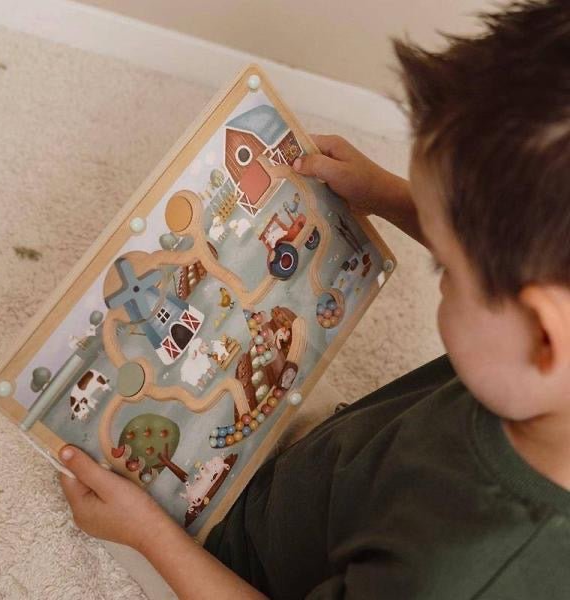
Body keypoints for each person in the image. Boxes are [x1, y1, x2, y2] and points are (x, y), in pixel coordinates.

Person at [58, 1, 570, 597]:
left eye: (446, 269)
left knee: (105, 490)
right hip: (342, 469)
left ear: (543, 336)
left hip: (244, 566)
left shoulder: (454, 574)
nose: (440, 275)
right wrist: (385, 193)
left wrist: (149, 535)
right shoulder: (536, 370)